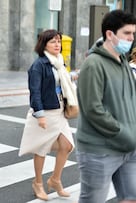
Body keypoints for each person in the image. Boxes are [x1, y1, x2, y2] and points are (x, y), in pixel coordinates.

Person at [76, 10, 136, 203]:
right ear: (110, 34)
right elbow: (93, 109)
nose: (132, 38)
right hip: (99, 151)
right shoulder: (93, 64)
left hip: (129, 149)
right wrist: (124, 133)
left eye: (133, 34)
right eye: (127, 33)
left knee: (131, 197)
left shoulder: (124, 61)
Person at [18, 29, 75, 201]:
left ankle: (55, 180)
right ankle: (38, 183)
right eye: (53, 42)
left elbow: (62, 82)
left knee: (67, 146)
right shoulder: (38, 66)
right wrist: (40, 114)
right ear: (44, 45)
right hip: (45, 112)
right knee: (41, 149)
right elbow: (34, 92)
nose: (57, 44)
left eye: (58, 41)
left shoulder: (59, 62)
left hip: (59, 112)